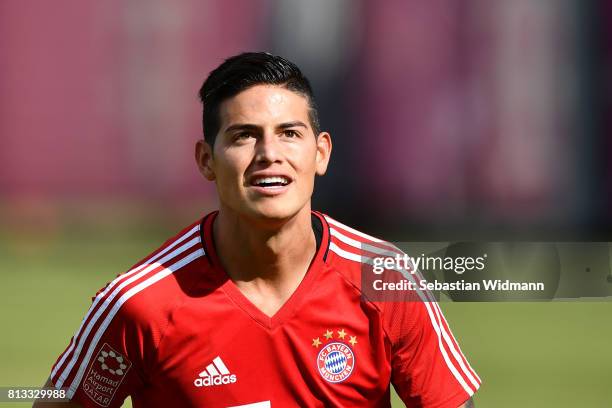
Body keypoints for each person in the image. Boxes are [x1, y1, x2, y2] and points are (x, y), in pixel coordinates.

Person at [35, 52, 480, 407]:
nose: (269, 153)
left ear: (321, 153)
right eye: (244, 135)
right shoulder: (139, 305)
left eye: (289, 133)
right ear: (206, 160)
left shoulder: (385, 277)